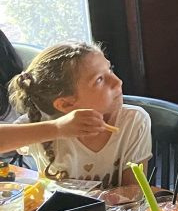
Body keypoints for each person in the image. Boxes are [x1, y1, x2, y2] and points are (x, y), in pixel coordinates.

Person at [3, 41, 151, 187]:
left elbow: (135, 190)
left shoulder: (132, 121)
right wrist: (57, 129)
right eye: (99, 79)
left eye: (110, 69)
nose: (118, 82)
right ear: (65, 104)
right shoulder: (41, 123)